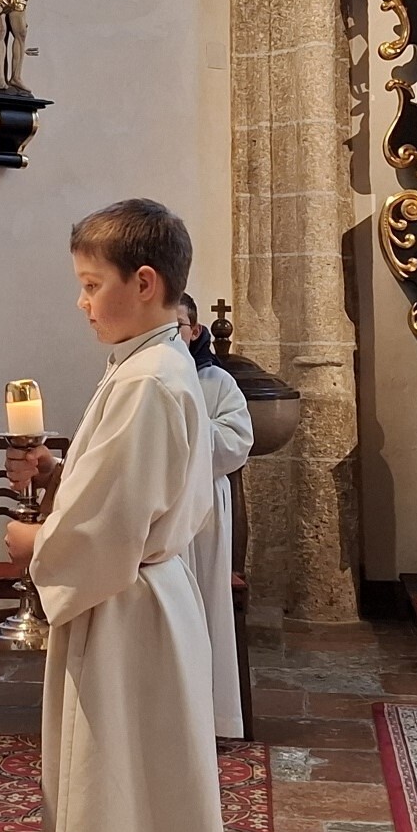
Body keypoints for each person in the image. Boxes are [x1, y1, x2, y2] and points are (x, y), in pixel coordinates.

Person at [4, 200, 243, 832]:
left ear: (144, 283)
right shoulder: (152, 364)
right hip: (141, 602)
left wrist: (35, 542)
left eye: (90, 284)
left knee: (115, 789)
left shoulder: (148, 380)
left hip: (126, 611)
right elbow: (130, 489)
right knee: (147, 788)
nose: (81, 303)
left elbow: (110, 531)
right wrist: (62, 474)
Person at [178, 294, 253, 740]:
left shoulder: (217, 382)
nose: (173, 334)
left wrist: (183, 427)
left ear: (195, 331)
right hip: (156, 510)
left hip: (203, 513)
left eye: (180, 326)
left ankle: (210, 718)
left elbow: (237, 442)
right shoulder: (139, 377)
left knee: (204, 608)